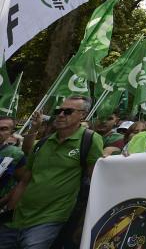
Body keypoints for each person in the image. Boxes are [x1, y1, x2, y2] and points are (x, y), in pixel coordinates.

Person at [0, 96, 103, 249]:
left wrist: (84, 223)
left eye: (68, 111)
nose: (61, 115)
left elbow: (97, 181)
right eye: (58, 111)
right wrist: (10, 210)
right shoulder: (43, 142)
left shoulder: (89, 140)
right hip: (17, 218)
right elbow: (25, 180)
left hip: (50, 219)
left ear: (83, 115)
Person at [0, 116, 25, 226]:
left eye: (3, 129)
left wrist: (5, 200)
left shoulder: (15, 154)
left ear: (11, 132)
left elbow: (22, 182)